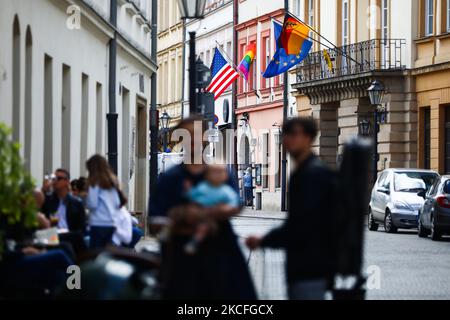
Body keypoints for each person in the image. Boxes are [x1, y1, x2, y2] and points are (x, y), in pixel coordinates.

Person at [149, 116, 256, 300]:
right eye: (188, 135)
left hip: (220, 255)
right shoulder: (170, 178)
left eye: (198, 135)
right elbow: (154, 222)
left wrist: (207, 213)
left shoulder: (220, 173)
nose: (193, 140)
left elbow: (235, 206)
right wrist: (179, 219)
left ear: (206, 138)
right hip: (181, 258)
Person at [246, 117, 337, 300]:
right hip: (306, 264)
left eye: (295, 134)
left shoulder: (312, 174)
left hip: (310, 265)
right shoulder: (305, 171)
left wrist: (264, 241)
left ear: (309, 138)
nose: (288, 139)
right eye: (286, 134)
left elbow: (302, 225)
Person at [183, 164, 241, 255]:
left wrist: (227, 208)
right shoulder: (203, 186)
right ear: (207, 175)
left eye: (220, 173)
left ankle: (195, 242)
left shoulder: (225, 190)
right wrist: (188, 190)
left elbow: (234, 202)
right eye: (213, 173)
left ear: (225, 176)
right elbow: (193, 195)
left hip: (212, 214)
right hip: (199, 210)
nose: (216, 176)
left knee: (204, 227)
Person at [86, 155, 127, 250]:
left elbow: (92, 204)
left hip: (97, 223)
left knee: (95, 253)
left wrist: (86, 201)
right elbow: (117, 203)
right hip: (111, 223)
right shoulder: (112, 182)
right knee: (107, 253)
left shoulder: (94, 182)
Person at [41, 169, 86, 234]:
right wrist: (44, 190)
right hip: (52, 236)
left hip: (70, 236)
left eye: (58, 178)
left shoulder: (76, 203)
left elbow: (81, 227)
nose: (55, 181)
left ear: (67, 181)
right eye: (53, 179)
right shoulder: (48, 200)